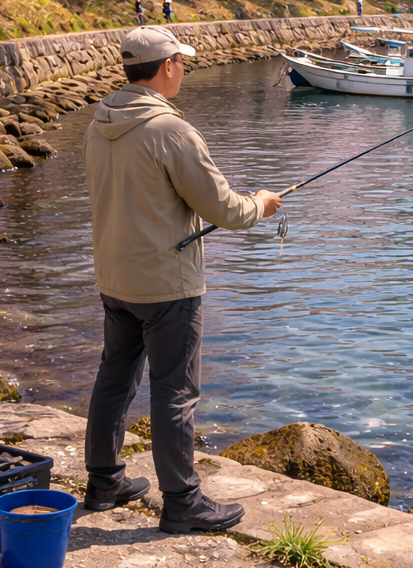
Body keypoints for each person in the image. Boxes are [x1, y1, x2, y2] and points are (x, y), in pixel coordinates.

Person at [82, 26, 282, 531]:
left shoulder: (99, 122)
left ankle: (103, 481)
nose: (185, 69)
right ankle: (182, 502)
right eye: (181, 61)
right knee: (175, 392)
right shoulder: (171, 131)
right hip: (167, 285)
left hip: (114, 275)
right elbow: (226, 211)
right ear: (167, 65)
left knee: (113, 381)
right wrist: (262, 203)